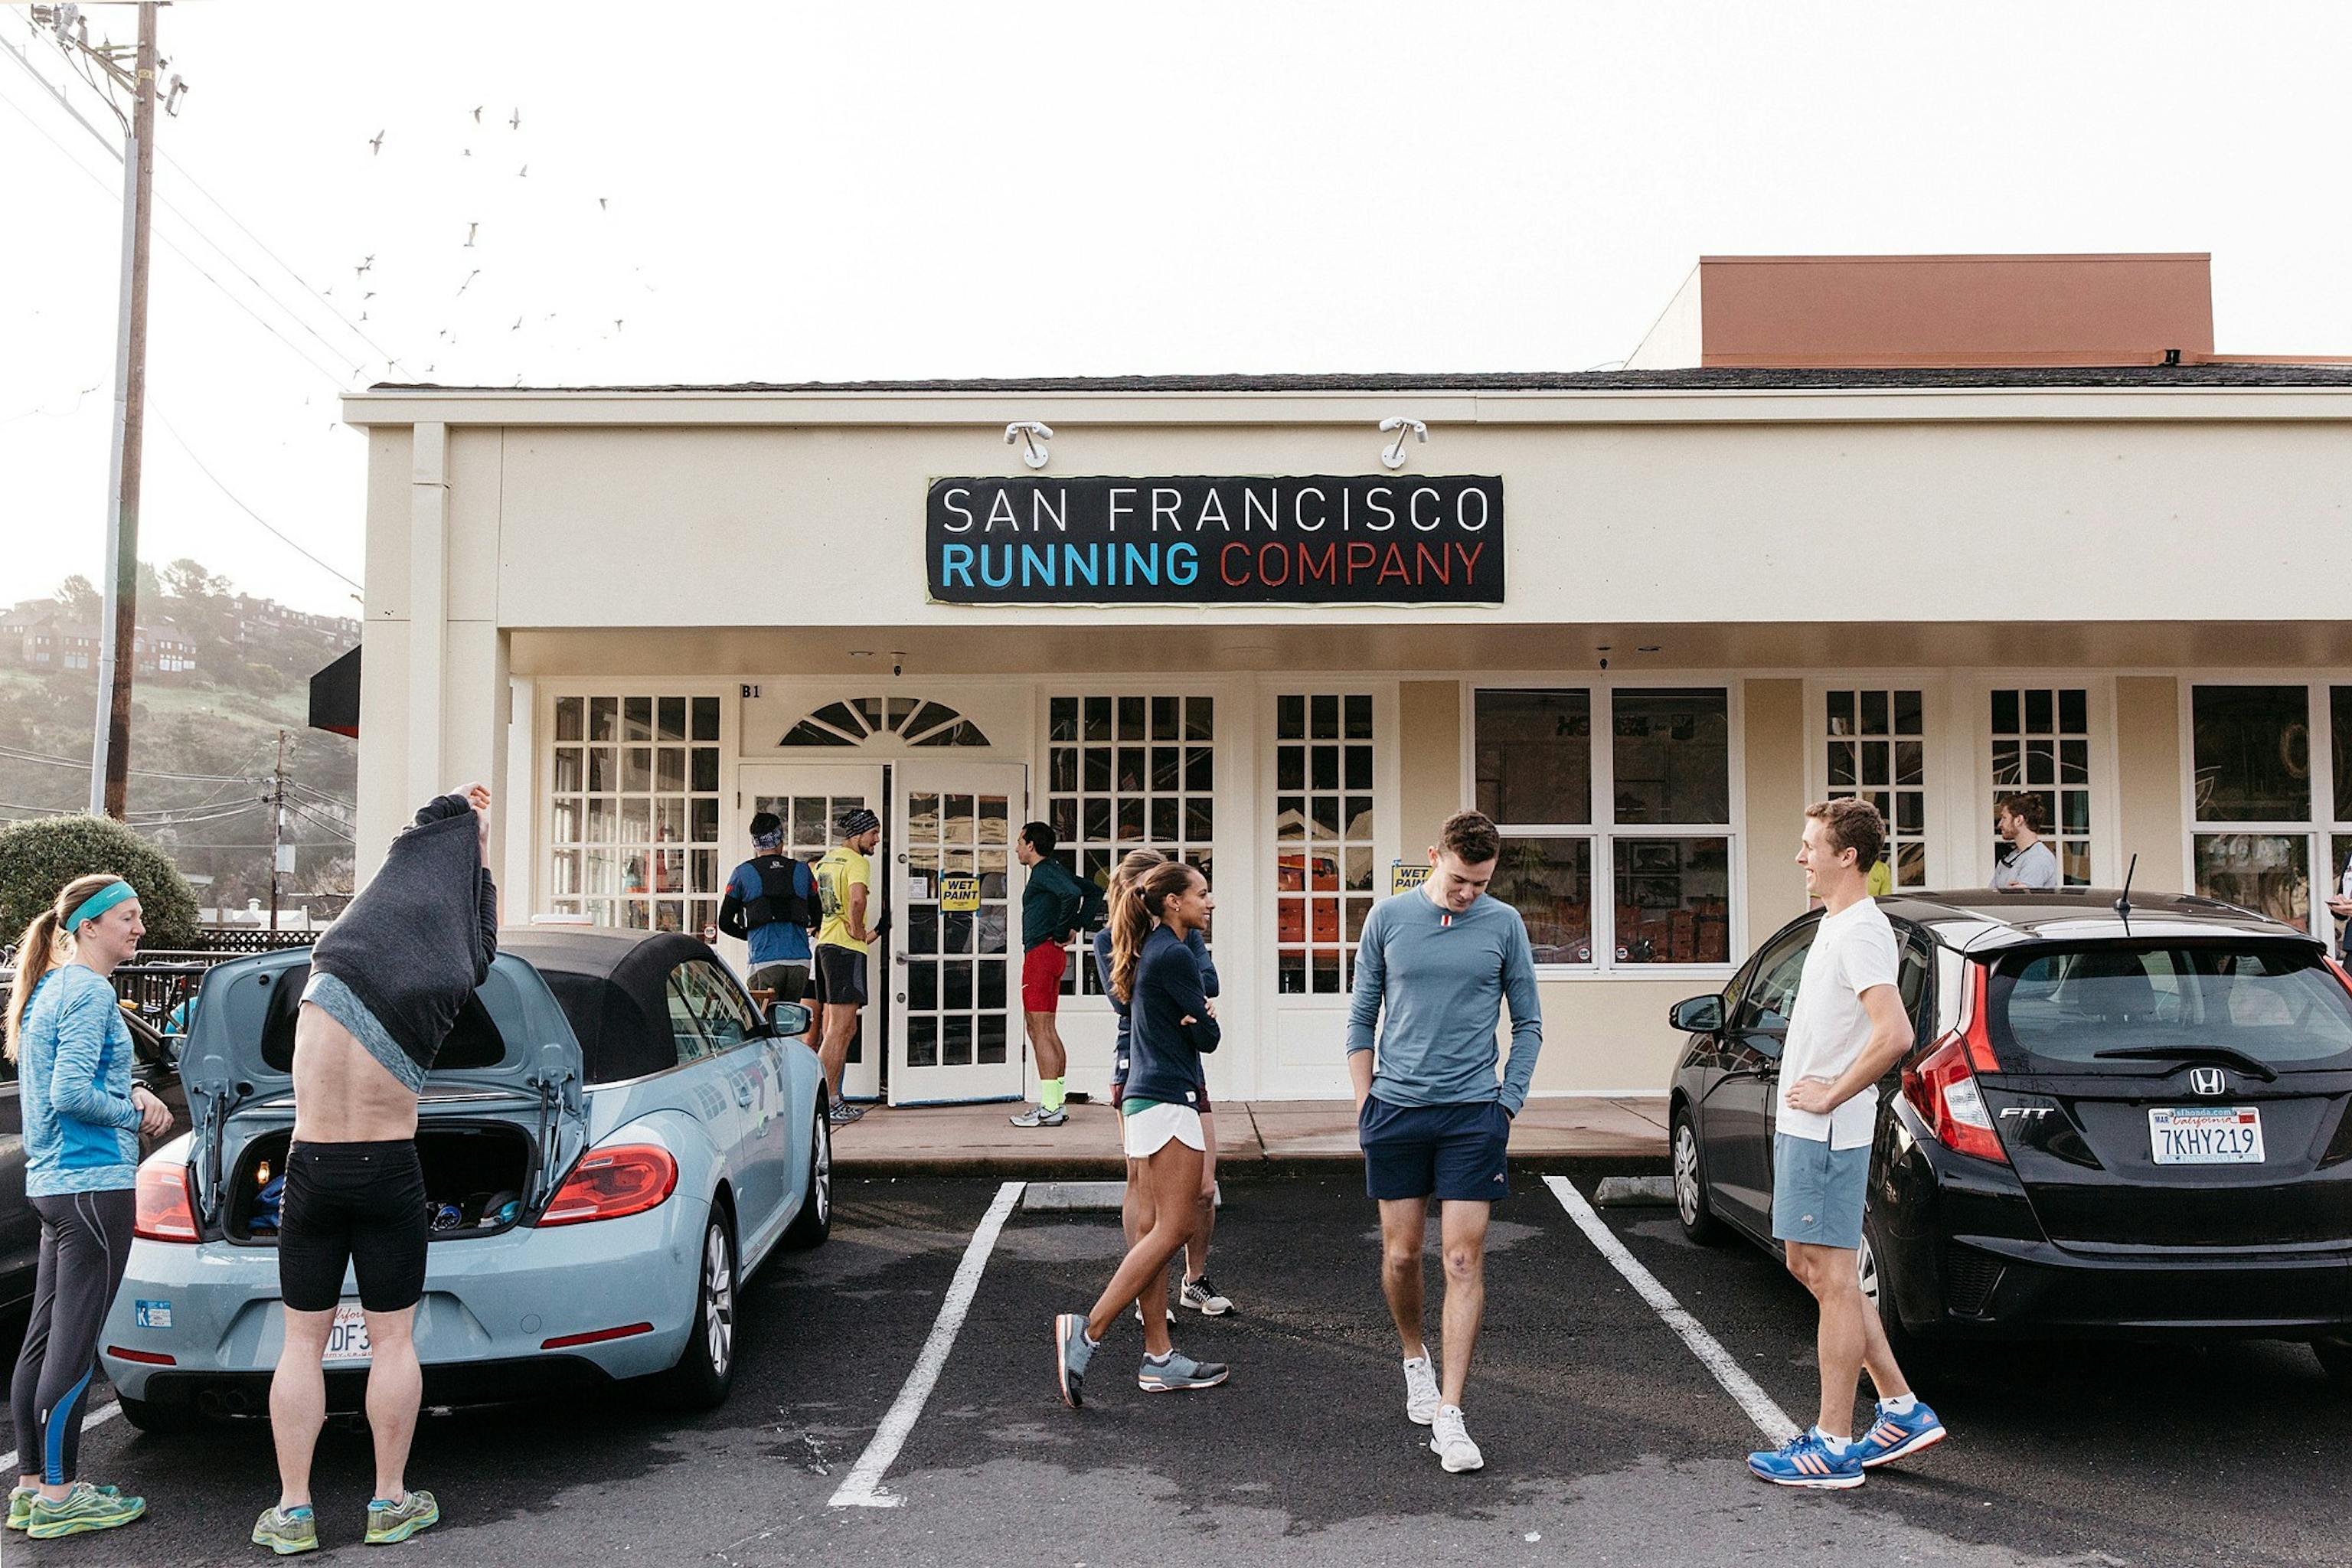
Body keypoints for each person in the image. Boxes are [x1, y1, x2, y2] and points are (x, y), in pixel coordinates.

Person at [254, 786, 498, 1554]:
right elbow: (476, 937)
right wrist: (479, 850)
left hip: (312, 1166)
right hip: (389, 1163)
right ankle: (389, 1499)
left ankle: (292, 1509)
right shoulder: (436, 970)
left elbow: (418, 864)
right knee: (393, 1341)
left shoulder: (336, 954)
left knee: (302, 1343)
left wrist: (453, 822)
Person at [1746, 798, 1945, 1490]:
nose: (1801, 856)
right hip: (1811, 1129)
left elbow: (1894, 1036)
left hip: (1830, 1130)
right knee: (1810, 1265)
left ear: (1846, 856)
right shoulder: (1837, 925)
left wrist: (1831, 1093)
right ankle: (1901, 1408)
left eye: (1810, 845)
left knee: (1832, 1279)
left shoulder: (1862, 929)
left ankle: (1832, 1444)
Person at [1348, 809, 1542, 1475]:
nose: (1468, 894)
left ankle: (1452, 1416)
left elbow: (1530, 1024)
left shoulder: (1504, 924)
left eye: (1481, 884)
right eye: (1460, 880)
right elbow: (1360, 1018)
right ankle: (1413, 1357)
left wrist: (1506, 1103)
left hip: (1471, 1116)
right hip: (1396, 1111)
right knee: (1402, 1257)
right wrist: (1364, 1102)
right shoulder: (1388, 919)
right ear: (1436, 856)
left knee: (1461, 1261)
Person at [5, 874, 171, 1540]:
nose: (138, 928)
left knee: (43, 1341)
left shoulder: (51, 988)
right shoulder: (89, 990)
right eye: (128, 918)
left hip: (53, 1185)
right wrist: (133, 1108)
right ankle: (60, 1494)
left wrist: (124, 1082)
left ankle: (30, 1488)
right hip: (91, 1186)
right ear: (91, 925)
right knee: (73, 1350)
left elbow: (69, 1080)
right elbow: (72, 1093)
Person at [1054, 861, 1229, 1406]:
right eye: (1202, 893)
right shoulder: (1175, 953)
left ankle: (1159, 1358)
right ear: (1173, 902)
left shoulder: (1149, 947)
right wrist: (1200, 1019)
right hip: (1169, 1096)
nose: (1211, 901)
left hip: (1145, 1094)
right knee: (1173, 1228)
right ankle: (1088, 1332)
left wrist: (1193, 1016)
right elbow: (1211, 1036)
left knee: (1157, 1228)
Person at [1094, 851, 1230, 1321]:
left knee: (1199, 1195)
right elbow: (1126, 1003)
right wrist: (1190, 1011)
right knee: (1156, 1209)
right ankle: (1113, 1314)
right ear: (1162, 897)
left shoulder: (1178, 940)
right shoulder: (1130, 943)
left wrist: (1190, 1004)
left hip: (1178, 1072)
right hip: (1146, 1072)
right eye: (1202, 893)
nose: (1209, 903)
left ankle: (1178, 1304)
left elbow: (1206, 981)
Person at [1009, 822, 1106, 1129]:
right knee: (1046, 1029)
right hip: (1051, 955)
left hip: (1040, 954)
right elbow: (1093, 891)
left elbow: (1071, 893)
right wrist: (1076, 925)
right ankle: (1056, 1103)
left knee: (1038, 1031)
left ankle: (1050, 1106)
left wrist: (1065, 928)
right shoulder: (1054, 868)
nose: (1016, 848)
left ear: (1030, 845)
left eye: (1019, 841)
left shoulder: (1044, 872)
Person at [715, 812, 821, 1040]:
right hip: (799, 962)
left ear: (754, 843)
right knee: (788, 1027)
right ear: (781, 841)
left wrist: (750, 934)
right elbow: (817, 917)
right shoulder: (802, 871)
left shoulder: (743, 873)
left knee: (761, 1029)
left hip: (764, 959)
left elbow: (724, 922)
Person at [812, 808, 882, 1126]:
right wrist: (856, 929)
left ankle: (831, 1097)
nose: (876, 840)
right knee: (840, 1030)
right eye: (873, 834)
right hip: (845, 949)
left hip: (826, 945)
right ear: (858, 835)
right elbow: (856, 900)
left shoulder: (826, 861)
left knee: (841, 1027)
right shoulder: (857, 862)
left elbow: (813, 902)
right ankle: (828, 1101)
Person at [1988, 792, 2060, 890]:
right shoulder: (2012, 857)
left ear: (2018, 820)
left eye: (2004, 818)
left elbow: (2021, 900)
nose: (2000, 824)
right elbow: (1992, 895)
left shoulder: (2038, 858)